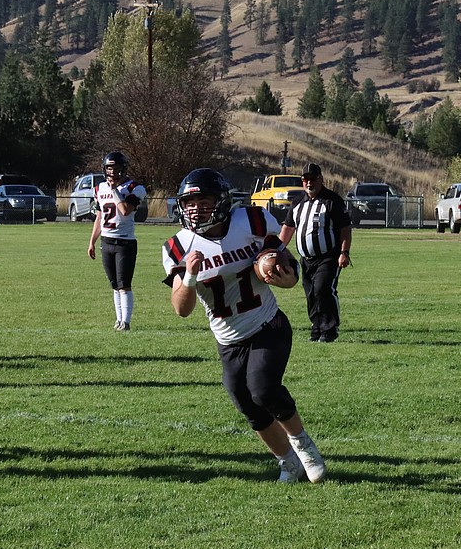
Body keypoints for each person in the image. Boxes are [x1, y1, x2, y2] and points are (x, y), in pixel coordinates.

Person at [161, 167, 327, 483]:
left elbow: (288, 269)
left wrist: (282, 274)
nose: (195, 209)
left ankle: (305, 447)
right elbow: (182, 309)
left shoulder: (252, 221)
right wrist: (191, 275)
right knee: (248, 406)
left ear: (221, 201)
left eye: (204, 201)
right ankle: (288, 463)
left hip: (267, 324)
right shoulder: (178, 246)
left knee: (263, 388)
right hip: (228, 340)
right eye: (190, 203)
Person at [278, 163, 351, 343]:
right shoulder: (297, 202)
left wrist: (344, 252)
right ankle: (317, 326)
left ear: (321, 180)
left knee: (323, 289)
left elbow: (345, 228)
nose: (309, 183)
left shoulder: (332, 200)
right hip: (306, 258)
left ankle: (330, 328)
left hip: (328, 256)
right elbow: (288, 227)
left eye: (313, 179)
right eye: (305, 179)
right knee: (310, 293)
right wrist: (277, 249)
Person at [87, 151, 147, 331]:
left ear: (123, 169)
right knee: (114, 284)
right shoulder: (99, 188)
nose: (112, 172)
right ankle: (118, 319)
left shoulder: (134, 188)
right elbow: (99, 217)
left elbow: (125, 211)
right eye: (109, 168)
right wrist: (91, 241)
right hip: (106, 241)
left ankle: (126, 322)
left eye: (115, 168)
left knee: (124, 284)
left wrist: (114, 190)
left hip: (125, 242)